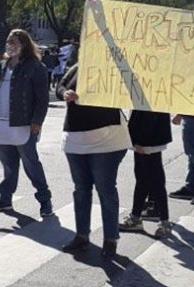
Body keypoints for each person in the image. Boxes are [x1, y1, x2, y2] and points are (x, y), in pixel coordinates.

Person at [55, 64, 131, 258]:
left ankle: (110, 240)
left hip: (107, 139)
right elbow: (60, 86)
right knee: (81, 190)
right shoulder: (76, 67)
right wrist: (66, 93)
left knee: (105, 189)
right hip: (75, 139)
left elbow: (131, 90)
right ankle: (82, 236)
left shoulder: (115, 66)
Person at [0, 29, 52, 217]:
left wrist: (37, 121)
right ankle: (5, 199)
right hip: (2, 123)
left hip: (24, 124)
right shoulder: (3, 66)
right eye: (8, 42)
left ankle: (45, 199)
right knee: (8, 165)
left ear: (24, 45)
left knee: (31, 164)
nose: (10, 45)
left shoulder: (35, 68)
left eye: (14, 42)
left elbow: (42, 99)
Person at [119, 110, 173, 239]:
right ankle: (137, 217)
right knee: (144, 180)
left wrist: (137, 140)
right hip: (147, 136)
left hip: (148, 137)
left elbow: (149, 110)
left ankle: (163, 221)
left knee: (154, 180)